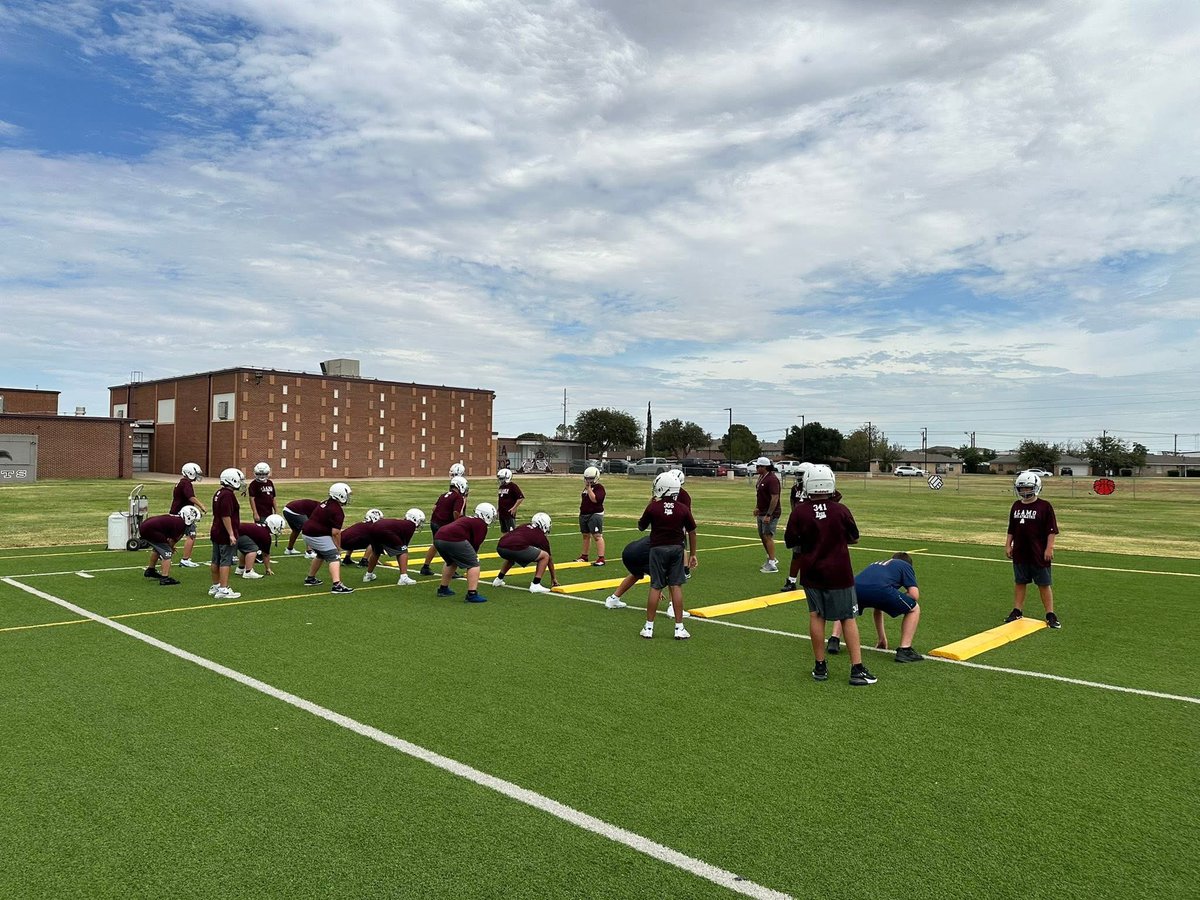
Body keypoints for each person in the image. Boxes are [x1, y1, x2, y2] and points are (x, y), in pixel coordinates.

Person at [783, 464, 877, 686]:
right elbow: (854, 537)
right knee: (847, 617)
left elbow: (790, 542)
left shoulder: (800, 511)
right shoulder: (840, 510)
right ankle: (856, 668)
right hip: (839, 572)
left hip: (811, 571)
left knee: (817, 616)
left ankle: (820, 666)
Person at [637, 471, 698, 640]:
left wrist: (650, 504)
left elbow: (641, 526)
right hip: (677, 550)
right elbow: (692, 531)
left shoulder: (653, 507)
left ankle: (649, 627)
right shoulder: (683, 508)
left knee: (656, 586)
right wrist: (692, 554)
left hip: (657, 550)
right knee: (676, 586)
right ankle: (679, 627)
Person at [828, 553, 922, 662]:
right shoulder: (905, 565)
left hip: (854, 588)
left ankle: (834, 639)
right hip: (881, 589)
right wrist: (900, 597)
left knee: (847, 609)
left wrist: (882, 638)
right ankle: (905, 649)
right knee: (914, 609)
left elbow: (878, 607)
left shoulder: (878, 564)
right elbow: (914, 595)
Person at [1004, 471, 1061, 628]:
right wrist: (1008, 545)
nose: (1024, 491)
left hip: (1038, 552)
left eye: (1028, 488)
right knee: (1020, 582)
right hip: (1020, 552)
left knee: (1043, 583)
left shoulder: (1044, 506)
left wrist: (1049, 548)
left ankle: (1050, 614)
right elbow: (1011, 529)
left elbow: (1051, 530)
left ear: (1036, 487)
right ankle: (1017, 610)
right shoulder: (1016, 506)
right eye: (1021, 489)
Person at [433, 502, 496, 603]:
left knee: (451, 562)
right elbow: (476, 544)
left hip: (438, 537)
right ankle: (472, 594)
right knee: (474, 564)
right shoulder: (481, 524)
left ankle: (443, 589)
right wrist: (472, 558)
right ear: (487, 515)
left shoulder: (467, 518)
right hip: (452, 539)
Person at [301, 482, 355, 594]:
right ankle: (337, 585)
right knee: (334, 556)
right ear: (340, 495)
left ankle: (310, 578)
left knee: (321, 554)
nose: (348, 498)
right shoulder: (337, 511)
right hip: (316, 535)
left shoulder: (325, 503)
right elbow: (335, 533)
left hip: (307, 532)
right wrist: (338, 547)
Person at [492, 512, 557, 593]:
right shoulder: (541, 536)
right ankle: (536, 584)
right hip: (515, 548)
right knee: (545, 556)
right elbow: (549, 559)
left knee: (512, 556)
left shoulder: (524, 525)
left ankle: (498, 579)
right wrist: (553, 578)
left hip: (500, 546)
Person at [139, 505, 202, 586]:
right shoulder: (181, 524)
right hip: (150, 529)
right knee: (167, 553)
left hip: (146, 526)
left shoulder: (177, 520)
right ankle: (165, 578)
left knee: (158, 548)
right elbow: (171, 540)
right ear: (189, 517)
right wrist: (170, 548)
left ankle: (150, 570)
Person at [419, 475, 469, 576]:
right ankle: (451, 569)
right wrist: (458, 523)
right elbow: (456, 512)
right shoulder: (458, 497)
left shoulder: (444, 495)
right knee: (450, 546)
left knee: (436, 545)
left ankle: (425, 567)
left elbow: (434, 508)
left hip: (434, 522)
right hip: (443, 525)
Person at [362, 508, 425, 585]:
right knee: (403, 551)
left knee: (376, 552)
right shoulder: (410, 525)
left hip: (373, 527)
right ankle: (403, 578)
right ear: (415, 518)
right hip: (383, 529)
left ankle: (368, 575)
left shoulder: (403, 523)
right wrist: (401, 550)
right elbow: (403, 547)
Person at [207, 468, 244, 600]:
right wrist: (231, 534)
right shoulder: (228, 495)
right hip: (224, 532)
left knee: (216, 559)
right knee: (225, 561)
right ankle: (223, 589)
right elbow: (225, 515)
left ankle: (216, 585)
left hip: (216, 530)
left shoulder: (219, 493)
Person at [170, 462, 207, 568]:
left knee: (177, 535)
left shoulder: (182, 482)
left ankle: (163, 552)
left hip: (176, 512)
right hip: (184, 514)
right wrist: (201, 506)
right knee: (191, 534)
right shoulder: (186, 483)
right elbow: (190, 497)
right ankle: (185, 559)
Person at [753, 457, 781, 573]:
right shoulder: (761, 478)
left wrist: (769, 514)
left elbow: (775, 498)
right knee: (762, 535)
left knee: (767, 535)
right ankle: (770, 558)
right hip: (762, 511)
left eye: (758, 466)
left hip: (770, 513)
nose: (756, 468)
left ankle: (772, 562)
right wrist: (757, 507)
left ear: (764, 467)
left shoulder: (772, 479)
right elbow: (760, 495)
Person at [575, 465, 606, 566]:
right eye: (587, 478)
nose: (589, 481)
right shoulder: (586, 488)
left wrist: (589, 489)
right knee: (585, 535)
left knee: (597, 536)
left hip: (595, 514)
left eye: (591, 478)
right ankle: (584, 556)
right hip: (584, 514)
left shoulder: (599, 488)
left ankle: (601, 558)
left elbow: (595, 500)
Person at [496, 468, 524, 533]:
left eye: (502, 478)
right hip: (502, 513)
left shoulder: (513, 486)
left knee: (511, 532)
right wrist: (498, 510)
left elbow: (520, 498)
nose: (500, 480)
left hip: (509, 513)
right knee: (504, 532)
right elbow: (500, 499)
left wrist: (514, 508)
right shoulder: (501, 487)